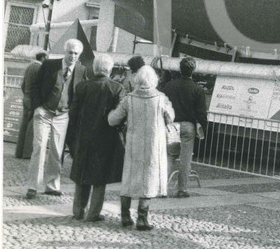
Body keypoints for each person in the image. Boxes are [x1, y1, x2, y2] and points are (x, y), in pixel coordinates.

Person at [108, 66, 175, 231]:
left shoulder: (129, 99)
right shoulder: (161, 98)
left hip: (133, 144)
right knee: (149, 180)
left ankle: (125, 216)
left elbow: (113, 120)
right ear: (154, 80)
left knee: (130, 178)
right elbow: (171, 117)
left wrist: (110, 112)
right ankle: (142, 218)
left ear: (137, 80)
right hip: (154, 145)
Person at [67, 55, 126, 221]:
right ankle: (93, 213)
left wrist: (73, 137)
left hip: (83, 137)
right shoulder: (117, 88)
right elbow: (120, 115)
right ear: (109, 69)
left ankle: (78, 211)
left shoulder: (82, 86)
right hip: (106, 138)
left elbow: (73, 114)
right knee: (100, 177)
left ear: (95, 68)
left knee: (82, 174)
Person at [25, 39, 86, 199]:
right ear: (65, 52)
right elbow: (35, 86)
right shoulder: (50, 65)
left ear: (79, 55)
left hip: (63, 115)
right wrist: (38, 106)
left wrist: (72, 112)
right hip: (44, 111)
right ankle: (33, 186)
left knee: (57, 151)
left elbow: (80, 94)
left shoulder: (81, 70)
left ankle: (52, 185)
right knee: (39, 147)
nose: (72, 56)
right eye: (70, 52)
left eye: (76, 53)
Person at [161, 56, 208, 199]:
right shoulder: (197, 89)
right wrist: (204, 129)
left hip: (172, 124)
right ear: (193, 70)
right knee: (185, 158)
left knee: (170, 156)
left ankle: (161, 188)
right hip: (188, 126)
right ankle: (182, 189)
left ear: (179, 69)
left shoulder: (169, 86)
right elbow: (201, 113)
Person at [15, 51, 47, 159]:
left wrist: (26, 95)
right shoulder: (40, 68)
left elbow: (23, 85)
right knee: (31, 126)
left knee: (24, 124)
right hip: (33, 99)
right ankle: (27, 153)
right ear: (43, 58)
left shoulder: (29, 67)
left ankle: (19, 152)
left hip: (26, 97)